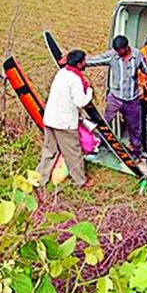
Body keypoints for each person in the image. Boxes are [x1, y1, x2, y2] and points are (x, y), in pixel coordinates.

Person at [86, 35, 147, 160]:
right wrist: (74, 63)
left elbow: (145, 69)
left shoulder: (137, 55)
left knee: (135, 128)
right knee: (104, 122)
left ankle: (137, 153)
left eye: (120, 51)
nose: (118, 53)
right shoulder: (113, 55)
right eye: (116, 51)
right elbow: (94, 61)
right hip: (115, 98)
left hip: (132, 99)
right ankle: (97, 144)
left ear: (126, 48)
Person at [36, 50, 93, 190]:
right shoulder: (75, 79)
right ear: (79, 64)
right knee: (73, 152)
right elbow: (80, 102)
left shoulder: (62, 72)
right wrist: (89, 91)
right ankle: (80, 181)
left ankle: (39, 179)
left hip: (50, 119)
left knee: (50, 150)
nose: (86, 63)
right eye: (84, 61)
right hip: (64, 123)